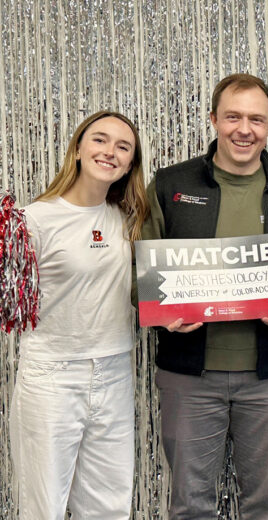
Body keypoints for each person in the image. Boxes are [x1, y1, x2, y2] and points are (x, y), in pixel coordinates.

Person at [142, 73, 268, 519]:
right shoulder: (170, 185)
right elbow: (137, 273)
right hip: (189, 375)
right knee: (190, 504)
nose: (244, 129)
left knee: (267, 502)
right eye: (233, 116)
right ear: (213, 119)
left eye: (256, 119)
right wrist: (162, 313)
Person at [9, 111, 148, 519]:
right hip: (53, 375)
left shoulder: (129, 220)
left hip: (115, 369)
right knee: (43, 507)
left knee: (110, 506)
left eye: (123, 147)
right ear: (78, 149)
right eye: (100, 140)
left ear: (130, 164)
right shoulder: (34, 220)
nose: (110, 152)